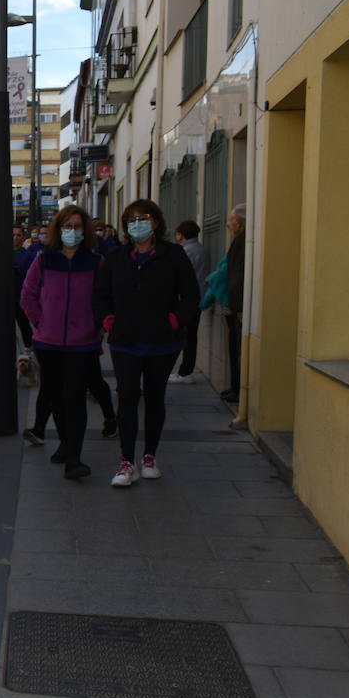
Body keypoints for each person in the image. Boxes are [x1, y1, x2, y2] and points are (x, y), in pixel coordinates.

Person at [95, 199, 200, 487]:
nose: (137, 224)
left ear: (155, 222)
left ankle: (150, 456)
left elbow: (191, 296)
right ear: (126, 226)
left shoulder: (173, 255)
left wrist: (174, 321)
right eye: (132, 220)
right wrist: (108, 321)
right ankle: (127, 462)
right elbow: (101, 296)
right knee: (127, 397)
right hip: (125, 341)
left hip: (162, 343)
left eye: (143, 218)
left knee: (155, 398)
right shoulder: (116, 258)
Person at [20, 207, 104, 480]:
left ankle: (74, 460)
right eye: (67, 225)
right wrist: (40, 323)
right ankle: (66, 444)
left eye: (78, 226)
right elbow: (27, 296)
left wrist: (98, 326)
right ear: (58, 229)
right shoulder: (44, 260)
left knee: (75, 398)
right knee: (56, 397)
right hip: (49, 343)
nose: (72, 231)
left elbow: (104, 299)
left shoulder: (96, 262)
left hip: (83, 344)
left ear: (85, 230)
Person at [170, 220, 208, 384]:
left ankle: (185, 372)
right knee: (191, 335)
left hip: (186, 301)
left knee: (184, 336)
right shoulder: (201, 249)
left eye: (177, 233)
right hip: (199, 297)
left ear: (181, 234)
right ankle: (186, 370)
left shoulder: (185, 251)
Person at [220, 206, 246, 403]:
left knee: (237, 350)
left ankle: (238, 389)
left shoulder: (242, 241)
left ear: (239, 223)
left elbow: (237, 275)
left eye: (231, 222)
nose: (229, 225)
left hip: (238, 307)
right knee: (235, 350)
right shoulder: (241, 240)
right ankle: (236, 388)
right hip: (236, 305)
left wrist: (236, 306)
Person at [14, 227, 43, 351]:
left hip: (20, 296)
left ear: (23, 237)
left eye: (18, 235)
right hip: (5, 297)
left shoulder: (27, 255)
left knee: (24, 325)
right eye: (13, 234)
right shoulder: (1, 253)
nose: (15, 238)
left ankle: (29, 349)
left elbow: (31, 278)